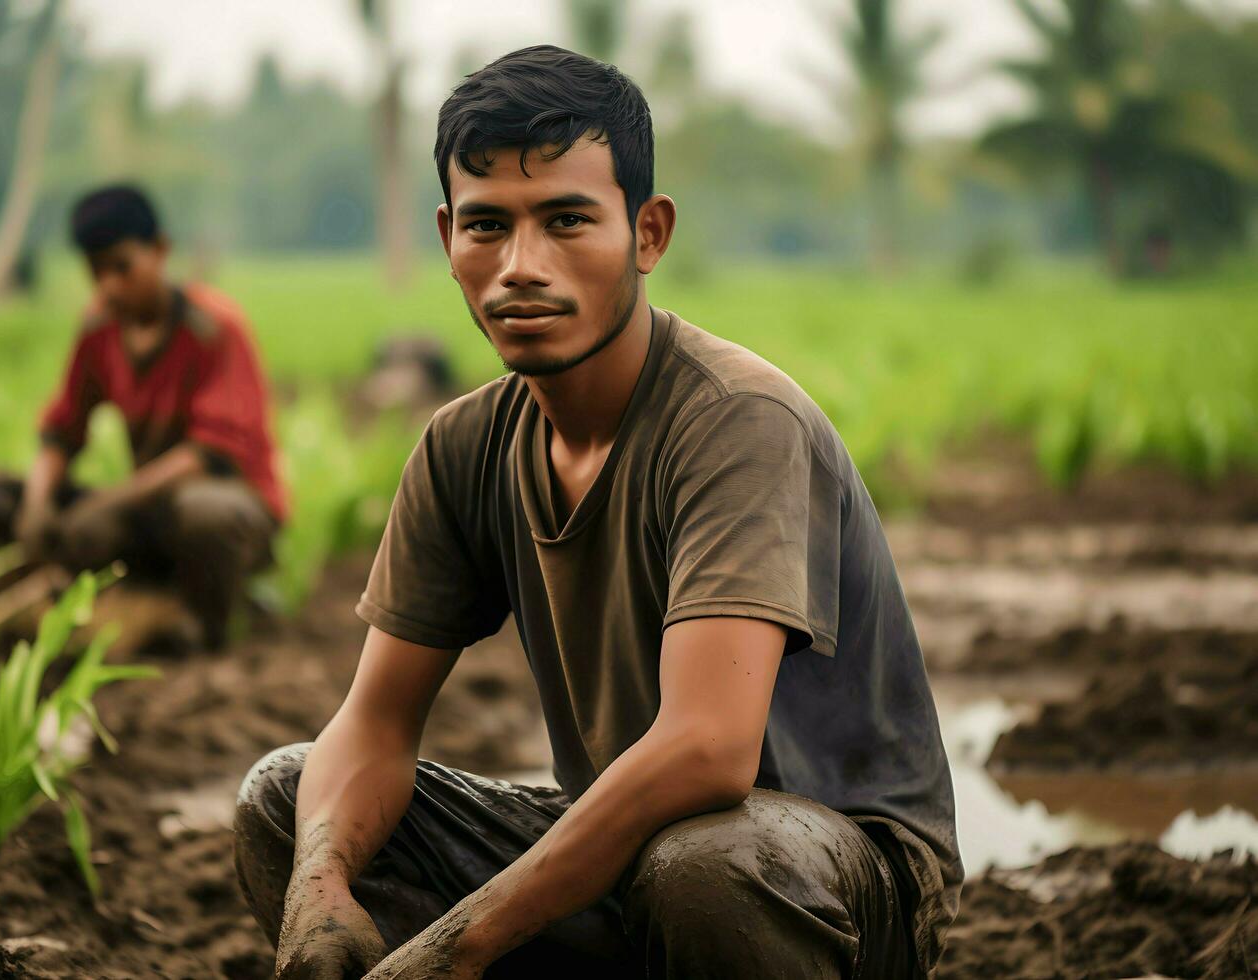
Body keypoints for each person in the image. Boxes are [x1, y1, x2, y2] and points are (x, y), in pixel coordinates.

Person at [234, 45, 960, 978]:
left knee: (708, 864)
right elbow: (375, 724)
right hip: (633, 854)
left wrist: (461, 945)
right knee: (288, 803)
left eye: (567, 220)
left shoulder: (737, 422)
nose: (520, 267)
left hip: (825, 886)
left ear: (648, 234)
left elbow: (708, 751)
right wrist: (320, 895)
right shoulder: (464, 447)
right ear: (449, 235)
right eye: (488, 226)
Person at [0, 185, 288, 649]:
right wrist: (37, 502)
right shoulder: (98, 329)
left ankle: (203, 626)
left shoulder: (214, 328)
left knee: (204, 511)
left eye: (122, 267)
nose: (109, 285)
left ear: (160, 250)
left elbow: (210, 455)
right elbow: (62, 428)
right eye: (96, 272)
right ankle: (44, 605)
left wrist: (109, 503)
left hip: (224, 507)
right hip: (145, 508)